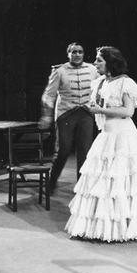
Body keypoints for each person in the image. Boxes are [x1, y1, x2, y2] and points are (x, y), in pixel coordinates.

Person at [65, 46, 137, 242]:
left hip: (123, 136)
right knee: (102, 182)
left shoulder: (125, 83)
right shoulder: (100, 82)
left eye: (99, 60)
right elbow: (96, 107)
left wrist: (101, 110)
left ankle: (124, 229)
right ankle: (102, 228)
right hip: (107, 135)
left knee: (122, 183)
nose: (95, 64)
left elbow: (128, 112)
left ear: (110, 62)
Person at [39, 42, 99, 193]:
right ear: (68, 54)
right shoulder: (60, 71)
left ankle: (81, 189)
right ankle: (52, 181)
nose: (77, 55)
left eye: (80, 52)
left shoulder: (92, 70)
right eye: (74, 52)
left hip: (85, 113)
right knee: (64, 150)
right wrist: (46, 115)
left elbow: (101, 88)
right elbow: (49, 94)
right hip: (66, 113)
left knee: (84, 151)